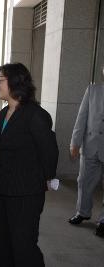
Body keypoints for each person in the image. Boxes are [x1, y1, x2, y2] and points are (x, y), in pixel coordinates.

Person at [0, 63, 58, 267]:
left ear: (15, 82)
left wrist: (47, 178)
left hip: (26, 192)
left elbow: (49, 151)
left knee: (24, 245)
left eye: (0, 80)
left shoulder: (35, 115)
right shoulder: (3, 113)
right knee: (5, 244)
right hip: (4, 189)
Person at [68, 65, 104, 237]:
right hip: (91, 144)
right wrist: (75, 143)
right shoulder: (93, 90)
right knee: (83, 181)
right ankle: (82, 212)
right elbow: (81, 117)